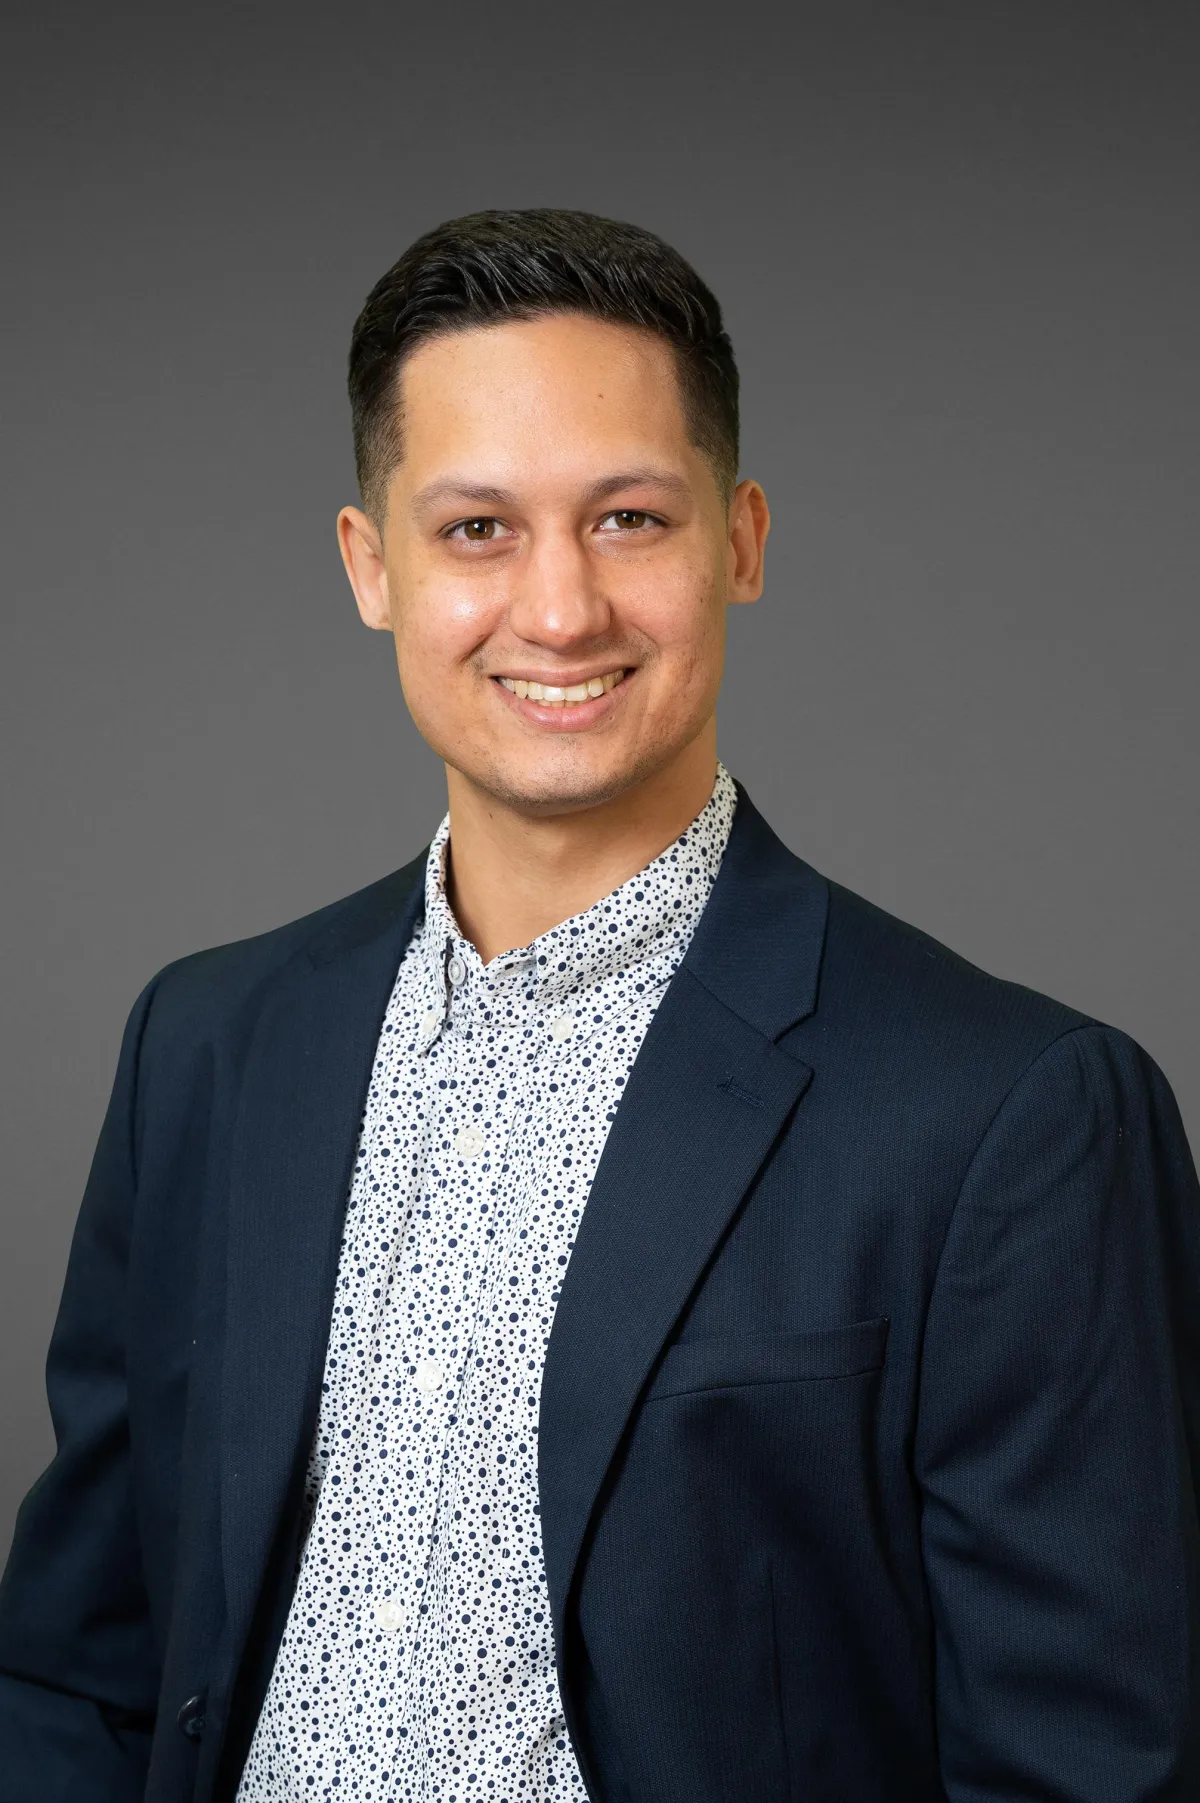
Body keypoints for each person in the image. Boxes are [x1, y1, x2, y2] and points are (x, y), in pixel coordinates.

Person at [0, 207, 1197, 1803]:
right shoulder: (207, 1051)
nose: (560, 610)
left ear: (740, 542)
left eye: (629, 517)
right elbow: (75, 1673)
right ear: (371, 567)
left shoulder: (1013, 1118)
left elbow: (1086, 1768)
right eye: (476, 529)